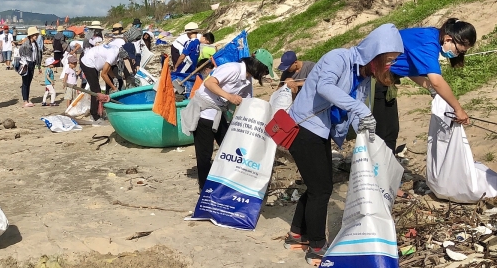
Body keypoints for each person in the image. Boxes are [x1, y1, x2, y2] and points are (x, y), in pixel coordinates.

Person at [283, 23, 403, 265]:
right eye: (387, 60)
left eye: (393, 60)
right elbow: (325, 87)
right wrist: (360, 109)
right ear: (374, 55)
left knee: (317, 184)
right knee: (322, 189)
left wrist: (366, 130)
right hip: (302, 128)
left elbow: (356, 111)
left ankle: (297, 233)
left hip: (320, 132)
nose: (389, 65)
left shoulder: (363, 76)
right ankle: (317, 247)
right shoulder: (337, 58)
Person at [374, 18, 476, 151]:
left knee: (391, 129)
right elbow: (437, 81)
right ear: (448, 39)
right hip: (374, 77)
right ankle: (376, 167)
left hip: (386, 79)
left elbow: (410, 67)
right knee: (382, 131)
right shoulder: (428, 43)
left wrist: (431, 88)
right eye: (459, 51)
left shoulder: (433, 35)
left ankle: (384, 165)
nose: (458, 54)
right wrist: (458, 109)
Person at [181, 57, 270, 190]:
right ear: (257, 67)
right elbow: (209, 83)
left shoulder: (247, 79)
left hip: (219, 113)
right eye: (264, 71)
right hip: (204, 112)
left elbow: (248, 101)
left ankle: (229, 180)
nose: (263, 75)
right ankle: (205, 187)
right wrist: (230, 97)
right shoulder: (232, 69)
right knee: (205, 153)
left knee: (229, 146)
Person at [80, 42, 121, 125]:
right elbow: (104, 74)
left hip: (92, 61)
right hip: (88, 63)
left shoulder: (116, 50)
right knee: (96, 91)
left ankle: (98, 113)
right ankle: (95, 116)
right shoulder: (113, 55)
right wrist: (113, 88)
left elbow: (107, 68)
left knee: (96, 89)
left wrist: (114, 77)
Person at [18, 27, 41, 107]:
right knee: (25, 82)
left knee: (29, 82)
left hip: (33, 63)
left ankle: (27, 99)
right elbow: (21, 52)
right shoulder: (26, 43)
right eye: (35, 35)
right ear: (31, 35)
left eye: (37, 34)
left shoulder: (35, 43)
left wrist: (39, 65)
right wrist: (24, 62)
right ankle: (25, 100)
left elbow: (37, 55)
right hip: (26, 63)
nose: (36, 36)